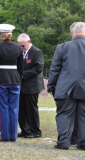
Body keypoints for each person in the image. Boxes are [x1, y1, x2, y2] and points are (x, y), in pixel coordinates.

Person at [47, 22, 85, 150]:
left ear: (72, 33)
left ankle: (63, 142)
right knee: (84, 116)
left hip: (66, 87)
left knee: (64, 114)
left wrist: (51, 85)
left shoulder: (62, 47)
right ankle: (83, 142)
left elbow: (55, 69)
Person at [0, 24, 23, 142]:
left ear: (2, 36)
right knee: (14, 108)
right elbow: (21, 67)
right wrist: (19, 79)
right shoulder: (18, 48)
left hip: (1, 79)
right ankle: (13, 136)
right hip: (15, 80)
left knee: (3, 107)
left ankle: (5, 135)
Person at [17, 33, 44, 138]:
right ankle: (25, 130)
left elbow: (38, 68)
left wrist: (23, 75)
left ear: (28, 42)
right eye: (19, 45)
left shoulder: (37, 52)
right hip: (21, 85)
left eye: (22, 45)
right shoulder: (20, 53)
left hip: (32, 85)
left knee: (31, 109)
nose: (21, 47)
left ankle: (35, 131)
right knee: (21, 109)